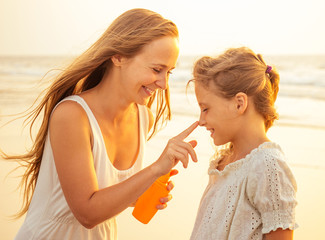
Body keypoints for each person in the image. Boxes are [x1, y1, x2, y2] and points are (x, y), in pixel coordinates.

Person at [1, 8, 199, 240]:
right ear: (118, 57)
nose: (164, 84)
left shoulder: (143, 117)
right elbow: (87, 212)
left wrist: (144, 191)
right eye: (157, 69)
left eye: (169, 72)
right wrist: (154, 169)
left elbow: (107, 193)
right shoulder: (72, 115)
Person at [189, 47, 298, 240]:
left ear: (239, 103)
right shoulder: (224, 162)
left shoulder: (268, 166)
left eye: (205, 108)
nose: (201, 120)